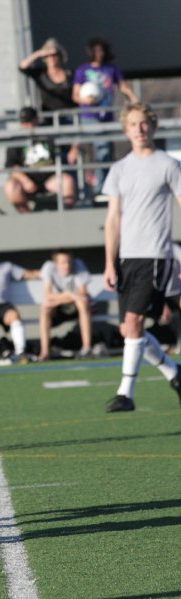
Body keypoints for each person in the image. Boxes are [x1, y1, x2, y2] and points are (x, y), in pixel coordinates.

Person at [101, 103, 181, 412]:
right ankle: (174, 374)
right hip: (127, 258)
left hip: (156, 255)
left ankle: (126, 393)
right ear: (126, 129)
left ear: (153, 127)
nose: (139, 129)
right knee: (128, 330)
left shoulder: (168, 165)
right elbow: (113, 219)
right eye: (133, 124)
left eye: (144, 123)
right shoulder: (119, 169)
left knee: (134, 322)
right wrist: (109, 261)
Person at [72, 36, 138, 193]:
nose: (99, 53)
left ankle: (106, 187)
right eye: (96, 50)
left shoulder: (111, 69)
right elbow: (75, 95)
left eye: (101, 50)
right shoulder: (82, 70)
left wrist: (135, 100)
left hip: (106, 115)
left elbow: (123, 87)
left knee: (107, 150)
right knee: (98, 149)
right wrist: (85, 100)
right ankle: (98, 187)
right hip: (89, 116)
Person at [4, 107, 76, 213]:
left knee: (67, 181)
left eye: (29, 122)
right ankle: (27, 218)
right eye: (24, 123)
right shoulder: (16, 140)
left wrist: (73, 151)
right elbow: (11, 166)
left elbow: (72, 143)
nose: (27, 126)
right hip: (27, 180)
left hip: (50, 178)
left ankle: (67, 215)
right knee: (11, 187)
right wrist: (26, 181)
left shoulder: (48, 134)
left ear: (36, 120)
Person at [38, 249, 93, 361]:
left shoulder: (78, 265)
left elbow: (82, 293)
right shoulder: (48, 267)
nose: (67, 265)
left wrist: (66, 298)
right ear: (56, 264)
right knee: (45, 307)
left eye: (69, 261)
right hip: (60, 308)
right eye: (63, 262)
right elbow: (48, 295)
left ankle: (87, 348)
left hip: (77, 307)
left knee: (82, 303)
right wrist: (70, 295)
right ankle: (44, 352)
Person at [18, 38, 75, 123]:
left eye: (54, 55)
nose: (51, 58)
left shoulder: (70, 73)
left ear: (60, 56)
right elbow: (22, 67)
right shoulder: (40, 74)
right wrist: (40, 53)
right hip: (49, 118)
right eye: (48, 56)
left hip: (70, 117)